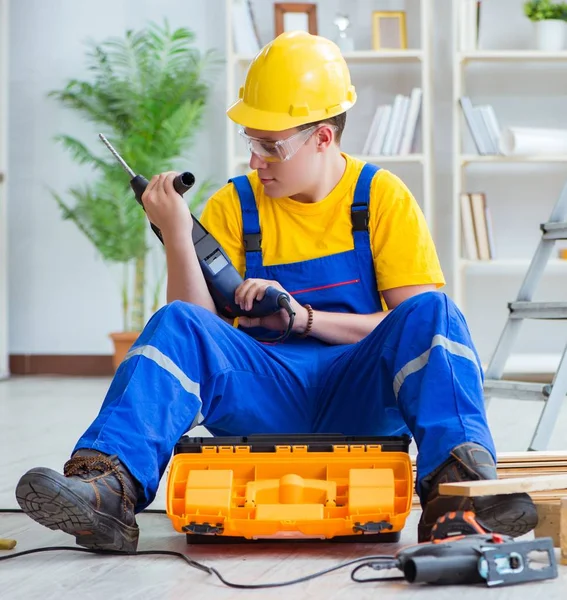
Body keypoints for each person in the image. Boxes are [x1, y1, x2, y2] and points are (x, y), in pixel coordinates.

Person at [16, 31, 537, 552]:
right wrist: (176, 233)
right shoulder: (233, 206)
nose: (256, 161)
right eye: (252, 142)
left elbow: (408, 322)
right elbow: (196, 328)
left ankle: (459, 495)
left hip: (357, 392)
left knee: (436, 313)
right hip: (262, 391)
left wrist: (301, 317)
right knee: (172, 322)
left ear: (323, 137)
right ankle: (108, 489)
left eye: (272, 146)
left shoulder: (381, 198)